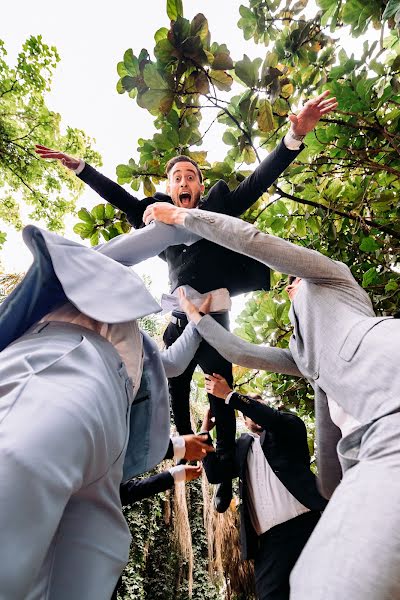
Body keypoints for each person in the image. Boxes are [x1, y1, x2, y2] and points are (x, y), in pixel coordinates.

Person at [35, 91, 337, 511]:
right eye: (176, 178)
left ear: (199, 186)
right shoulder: (161, 223)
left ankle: (224, 474)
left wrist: (293, 136)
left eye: (190, 177)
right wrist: (83, 169)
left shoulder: (217, 208)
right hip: (179, 315)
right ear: (169, 190)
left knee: (220, 393)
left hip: (214, 317)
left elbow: (257, 182)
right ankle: (194, 445)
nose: (183, 183)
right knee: (171, 380)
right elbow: (122, 198)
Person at [142, 203, 400, 600]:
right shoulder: (305, 357)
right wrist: (195, 319)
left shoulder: (332, 279)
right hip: (375, 445)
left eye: (290, 282)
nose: (289, 287)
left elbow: (253, 241)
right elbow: (242, 353)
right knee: (318, 584)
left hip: (391, 386)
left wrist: (184, 218)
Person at [0, 225, 212, 600]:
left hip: (112, 433)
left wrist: (199, 320)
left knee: (80, 574)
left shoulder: (138, 346)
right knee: (17, 473)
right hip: (65, 359)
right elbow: (138, 245)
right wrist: (182, 222)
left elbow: (173, 366)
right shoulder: (88, 272)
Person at [200, 395, 325, 600]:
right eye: (247, 414)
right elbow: (214, 474)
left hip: (307, 527)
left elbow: (272, 420)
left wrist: (231, 396)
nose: (253, 415)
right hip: (268, 544)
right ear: (243, 421)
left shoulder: (288, 426)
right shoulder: (241, 449)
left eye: (258, 408)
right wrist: (205, 430)